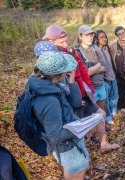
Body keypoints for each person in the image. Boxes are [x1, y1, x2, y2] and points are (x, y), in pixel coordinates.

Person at [43, 24, 119, 151]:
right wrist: (73, 99)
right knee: (77, 126)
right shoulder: (51, 60)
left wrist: (89, 90)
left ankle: (104, 144)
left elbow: (83, 71)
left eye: (66, 41)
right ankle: (80, 155)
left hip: (83, 94)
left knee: (101, 114)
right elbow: (59, 84)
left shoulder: (70, 51)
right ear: (51, 41)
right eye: (62, 42)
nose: (66, 44)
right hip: (71, 100)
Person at [29, 51, 88, 180]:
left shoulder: (52, 85)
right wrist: (80, 127)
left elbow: (76, 103)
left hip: (71, 143)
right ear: (60, 74)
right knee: (77, 171)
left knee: (77, 170)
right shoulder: (48, 100)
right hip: (67, 148)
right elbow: (55, 136)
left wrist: (72, 82)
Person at [94, 30, 119, 119]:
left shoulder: (107, 48)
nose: (105, 39)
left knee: (115, 96)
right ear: (96, 39)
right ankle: (108, 116)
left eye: (105, 37)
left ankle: (113, 111)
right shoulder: (95, 51)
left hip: (113, 76)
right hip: (104, 79)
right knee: (106, 100)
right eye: (102, 37)